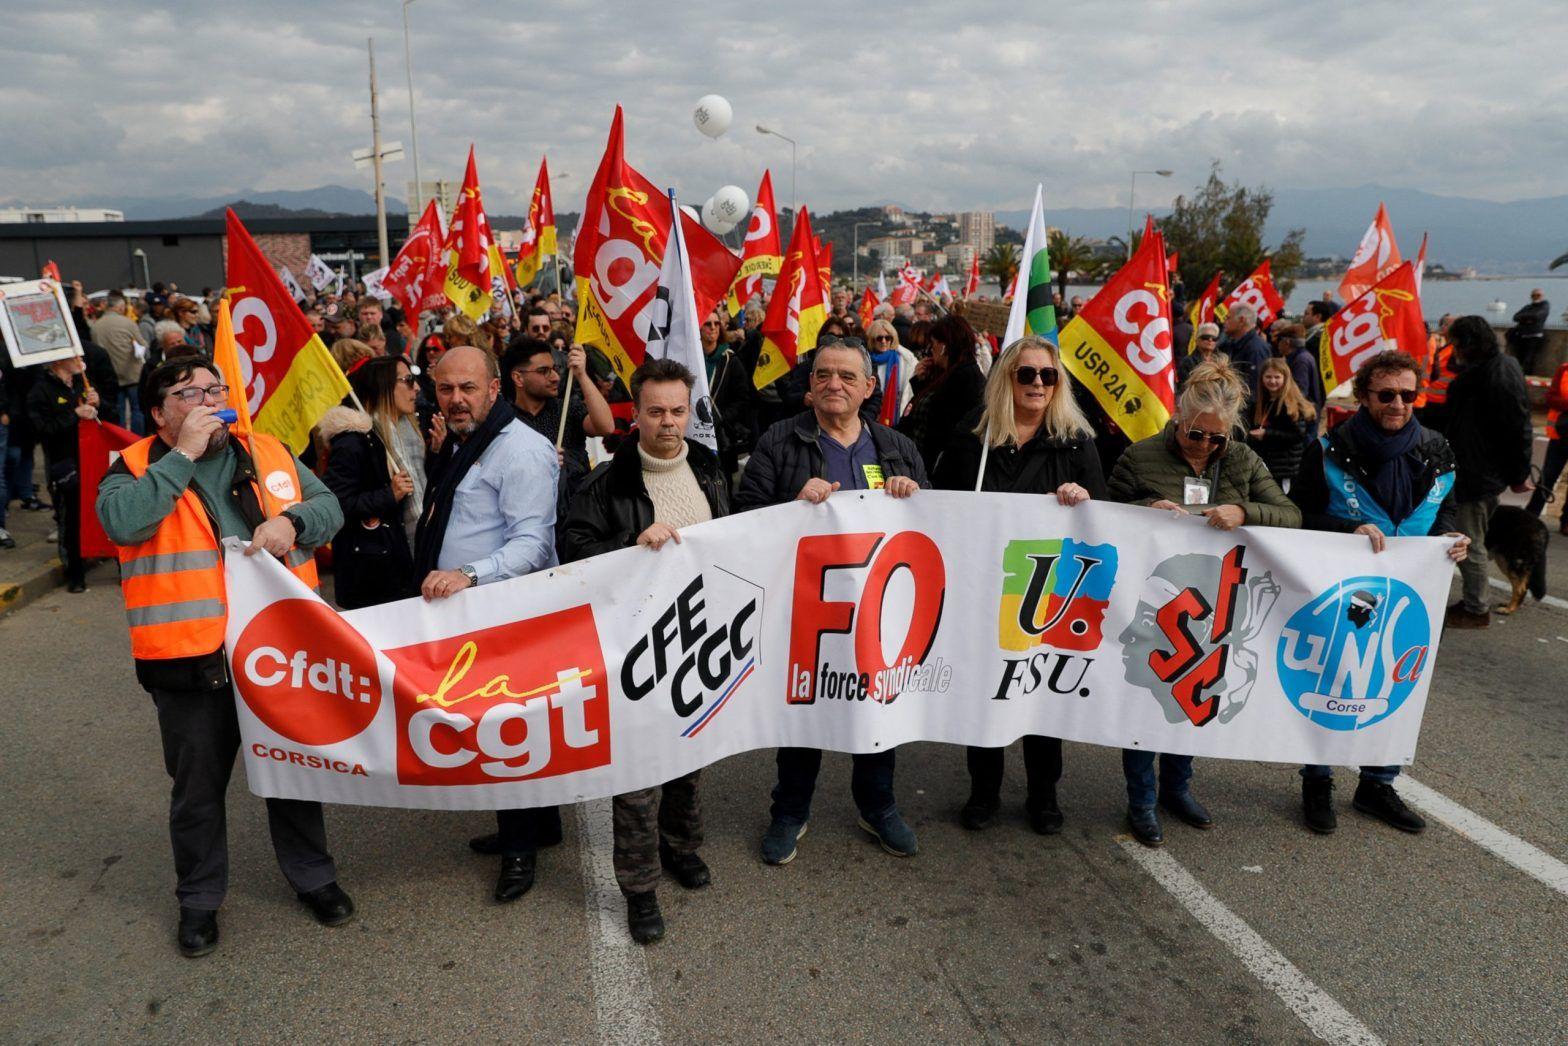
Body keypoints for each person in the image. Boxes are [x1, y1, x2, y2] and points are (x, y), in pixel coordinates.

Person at [96, 358, 352, 957]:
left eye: (215, 389)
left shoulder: (266, 451)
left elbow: (329, 507)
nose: (210, 401)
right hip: (190, 660)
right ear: (158, 413)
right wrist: (183, 455)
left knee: (292, 771)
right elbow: (123, 523)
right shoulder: (131, 467)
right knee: (198, 789)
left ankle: (313, 876)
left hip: (278, 651)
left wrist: (293, 522)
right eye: (190, 394)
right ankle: (200, 900)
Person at [734, 339, 927, 865]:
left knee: (877, 709)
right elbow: (745, 516)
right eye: (822, 375)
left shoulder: (895, 446)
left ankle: (879, 806)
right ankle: (789, 811)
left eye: (846, 376)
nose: (833, 384)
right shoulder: (780, 440)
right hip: (806, 611)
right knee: (803, 711)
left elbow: (930, 523)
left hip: (877, 611)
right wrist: (792, 506)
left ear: (869, 387)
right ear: (809, 385)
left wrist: (912, 495)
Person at [562, 358, 727, 945]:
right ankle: (640, 888)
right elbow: (573, 553)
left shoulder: (709, 468)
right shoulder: (606, 482)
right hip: (633, 649)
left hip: (699, 641)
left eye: (678, 411)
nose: (668, 422)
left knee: (688, 760)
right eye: (656, 412)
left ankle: (681, 847)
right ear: (636, 413)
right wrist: (629, 544)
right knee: (637, 776)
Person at [1106, 359, 1301, 846]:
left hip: (1215, 601)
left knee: (1197, 694)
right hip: (1154, 599)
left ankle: (1177, 788)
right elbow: (1104, 515)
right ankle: (1141, 799)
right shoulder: (1140, 456)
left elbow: (1290, 514)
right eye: (1196, 434)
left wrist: (1244, 510)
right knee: (1147, 697)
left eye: (1217, 438)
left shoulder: (1242, 460)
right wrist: (1146, 510)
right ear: (1178, 417)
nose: (1205, 445)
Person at [1289, 350, 1471, 834]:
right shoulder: (1328, 449)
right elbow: (1298, 515)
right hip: (1344, 591)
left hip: (1414, 593)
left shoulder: (1437, 449)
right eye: (1387, 394)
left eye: (1408, 395)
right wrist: (1346, 529)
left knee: (1398, 685)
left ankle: (1378, 784)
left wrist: (1453, 539)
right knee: (1332, 684)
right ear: (1364, 396)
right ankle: (1317, 781)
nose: (1398, 404)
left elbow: (1446, 511)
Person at [932, 336, 1103, 835]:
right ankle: (983, 791)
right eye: (1027, 373)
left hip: (1048, 593)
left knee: (1040, 693)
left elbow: (1102, 514)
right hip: (984, 588)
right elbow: (941, 506)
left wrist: (1082, 497)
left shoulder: (1076, 441)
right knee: (985, 691)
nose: (1038, 383)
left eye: (1048, 375)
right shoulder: (973, 437)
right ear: (1006, 378)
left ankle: (1043, 794)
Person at [412, 346, 562, 902]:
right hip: (470, 614)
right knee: (495, 727)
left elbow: (532, 544)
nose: (455, 399)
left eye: (468, 388)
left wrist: (469, 574)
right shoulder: (465, 440)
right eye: (445, 388)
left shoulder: (520, 450)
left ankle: (520, 850)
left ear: (495, 389)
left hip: (505, 616)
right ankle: (540, 826)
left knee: (505, 731)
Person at [1442, 316, 1535, 629]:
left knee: (1468, 542)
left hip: (1476, 475)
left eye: (1455, 344)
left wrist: (1519, 475)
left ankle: (1476, 608)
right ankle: (1471, 601)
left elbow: (1518, 428)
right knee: (1466, 537)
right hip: (1474, 470)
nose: (1452, 350)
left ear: (1468, 344)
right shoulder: (1490, 368)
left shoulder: (1495, 373)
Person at [319, 357, 421, 608]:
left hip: (411, 560)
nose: (416, 388)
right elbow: (334, 503)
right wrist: (389, 495)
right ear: (383, 387)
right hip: (377, 575)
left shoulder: (410, 431)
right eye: (408, 380)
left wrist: (439, 454)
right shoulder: (354, 442)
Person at [501, 338, 614, 499]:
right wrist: (537, 460)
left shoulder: (567, 408)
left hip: (576, 507)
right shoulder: (504, 420)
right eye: (544, 371)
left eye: (554, 369)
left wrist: (582, 375)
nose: (555, 377)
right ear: (518, 378)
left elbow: (606, 427)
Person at [26, 353, 99, 592]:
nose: (80, 359)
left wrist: (98, 404)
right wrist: (74, 415)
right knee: (70, 519)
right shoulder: (40, 391)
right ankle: (75, 574)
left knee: (99, 511)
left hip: (91, 460)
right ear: (58, 361)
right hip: (63, 464)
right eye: (74, 356)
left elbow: (107, 417)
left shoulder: (83, 384)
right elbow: (43, 429)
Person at [899, 313, 987, 472]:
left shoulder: (965, 378)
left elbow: (940, 423)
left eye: (933, 343)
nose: (930, 349)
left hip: (938, 468)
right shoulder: (944, 374)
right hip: (919, 461)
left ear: (944, 346)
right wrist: (921, 381)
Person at [699, 308, 757, 475]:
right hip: (696, 431)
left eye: (716, 323)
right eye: (708, 324)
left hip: (722, 433)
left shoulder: (730, 360)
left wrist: (722, 418)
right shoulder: (692, 360)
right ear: (699, 328)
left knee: (723, 479)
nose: (713, 327)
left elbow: (742, 398)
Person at [1245, 358, 1316, 490]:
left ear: (1285, 378)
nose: (1272, 381)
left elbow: (1297, 435)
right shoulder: (1259, 403)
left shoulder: (1291, 404)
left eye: (1277, 377)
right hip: (1265, 467)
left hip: (1285, 470)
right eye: (1268, 377)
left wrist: (1266, 434)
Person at [90, 291, 149, 433]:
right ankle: (137, 438)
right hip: (132, 373)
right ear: (121, 307)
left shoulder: (96, 326)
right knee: (137, 409)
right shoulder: (128, 323)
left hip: (110, 375)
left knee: (118, 410)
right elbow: (143, 345)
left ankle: (120, 439)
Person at [1526, 357, 1568, 533]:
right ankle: (1530, 518)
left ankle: (1566, 522)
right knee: (1548, 476)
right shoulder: (1564, 369)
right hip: (1561, 434)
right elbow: (1550, 397)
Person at [866, 318, 917, 424]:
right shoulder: (866, 359)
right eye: (879, 338)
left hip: (895, 415)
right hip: (871, 414)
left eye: (887, 338)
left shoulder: (903, 359)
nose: (884, 341)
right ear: (872, 340)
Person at [1218, 304, 1269, 402]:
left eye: (1228, 318)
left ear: (1241, 320)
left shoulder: (1255, 349)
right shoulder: (1230, 345)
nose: (1224, 322)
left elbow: (1254, 390)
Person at [1507, 289, 1550, 375]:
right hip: (1522, 336)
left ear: (1542, 296)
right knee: (1519, 358)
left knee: (1529, 359)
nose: (1536, 297)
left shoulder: (1544, 305)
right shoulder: (1528, 307)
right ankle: (1518, 374)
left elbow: (1537, 316)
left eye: (1538, 295)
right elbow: (1515, 317)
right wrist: (1528, 319)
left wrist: (1523, 319)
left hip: (1535, 336)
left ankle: (1527, 375)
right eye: (1533, 295)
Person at [1177, 323, 1221, 387]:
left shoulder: (1221, 360)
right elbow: (1183, 385)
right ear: (1197, 340)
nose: (1210, 340)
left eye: (1214, 338)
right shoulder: (1187, 362)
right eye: (1205, 337)